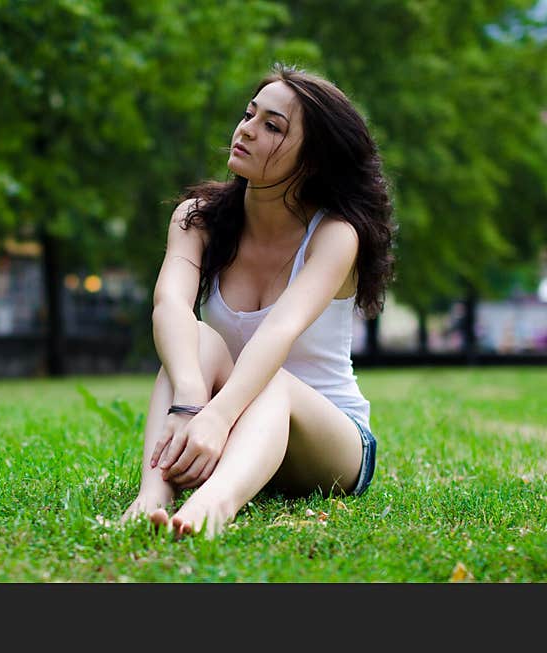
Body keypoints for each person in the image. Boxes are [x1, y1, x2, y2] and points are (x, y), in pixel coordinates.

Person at [120, 63, 396, 538]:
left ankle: (212, 506)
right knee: (192, 343)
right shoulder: (199, 219)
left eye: (272, 126)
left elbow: (280, 331)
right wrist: (191, 403)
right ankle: (152, 496)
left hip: (329, 442)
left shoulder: (334, 235)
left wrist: (218, 414)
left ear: (312, 159)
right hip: (227, 428)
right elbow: (169, 305)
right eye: (250, 114)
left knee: (276, 381)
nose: (246, 129)